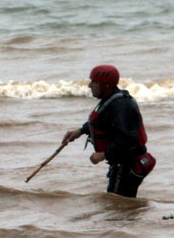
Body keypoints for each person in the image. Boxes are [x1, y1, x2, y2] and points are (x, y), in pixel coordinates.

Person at [62, 64, 156, 198]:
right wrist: (80, 131)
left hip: (127, 164)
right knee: (120, 205)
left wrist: (103, 154)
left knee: (118, 205)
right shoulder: (111, 100)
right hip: (122, 163)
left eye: (94, 82)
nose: (89, 86)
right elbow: (101, 122)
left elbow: (128, 138)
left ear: (105, 85)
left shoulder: (120, 105)